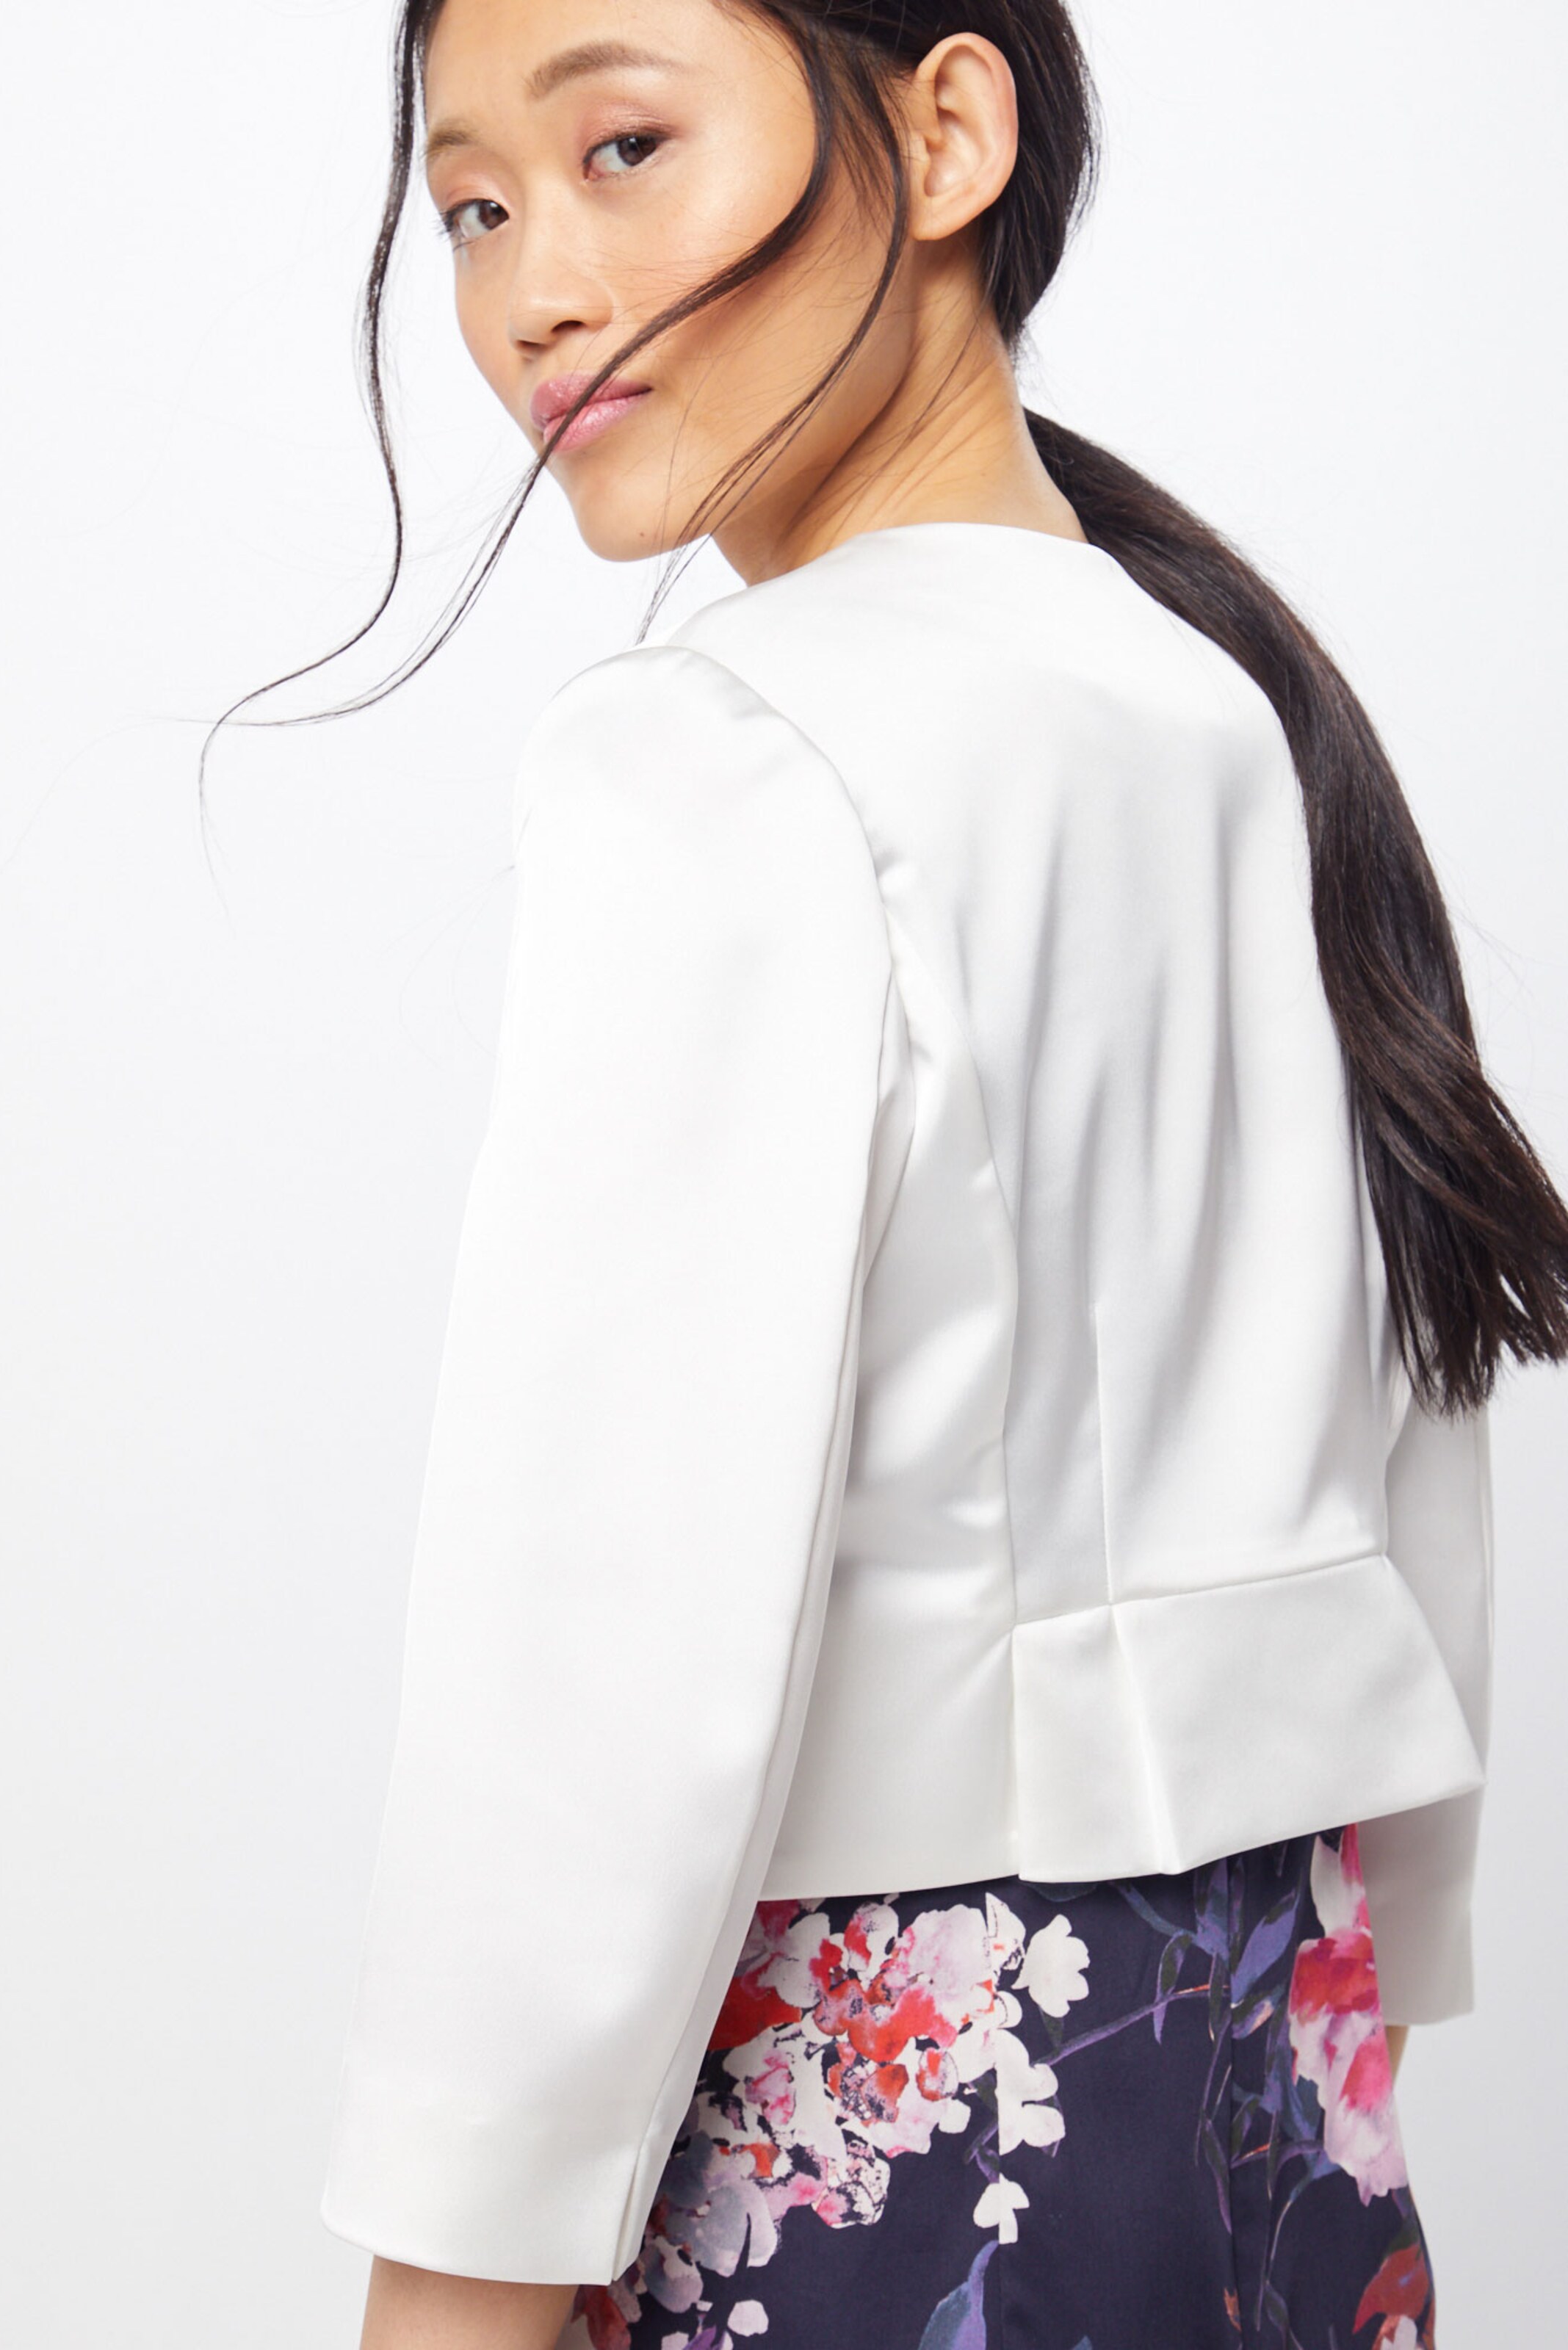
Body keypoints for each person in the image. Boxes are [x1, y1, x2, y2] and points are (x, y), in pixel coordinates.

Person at [286, 2, 1568, 2343]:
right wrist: (1378, 1950)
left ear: (950, 129)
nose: (533, 288)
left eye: (623, 144)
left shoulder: (726, 748)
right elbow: (1409, 1415)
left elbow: (603, 1628)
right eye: (470, 207)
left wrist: (450, 2285)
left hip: (875, 2137)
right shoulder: (1223, 705)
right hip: (1271, 2078)